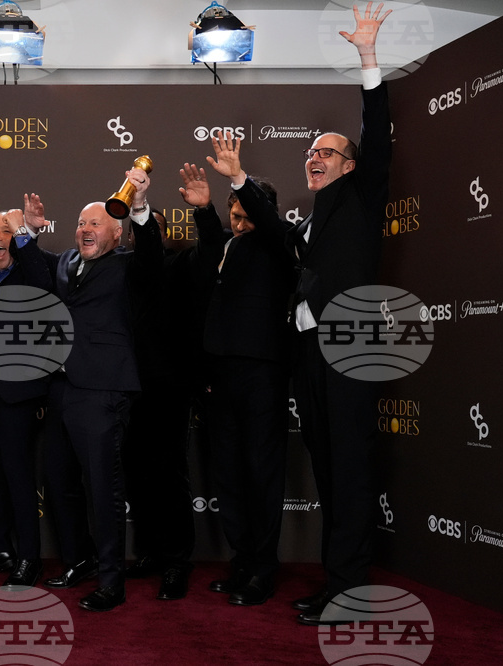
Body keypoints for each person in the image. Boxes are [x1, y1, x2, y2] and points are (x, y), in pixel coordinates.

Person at [225, 2, 393, 624]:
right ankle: (338, 584)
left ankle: (349, 592)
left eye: (326, 152)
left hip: (350, 349)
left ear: (349, 166)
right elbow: (272, 232)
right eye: (309, 154)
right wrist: (241, 179)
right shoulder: (313, 219)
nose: (314, 158)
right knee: (329, 472)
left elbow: (376, 136)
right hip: (314, 360)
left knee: (348, 473)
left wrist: (368, 59)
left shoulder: (362, 194)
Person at [16, 169, 163, 612]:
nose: (84, 229)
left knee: (103, 487)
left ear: (117, 232)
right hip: (60, 388)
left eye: (95, 223)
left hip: (103, 389)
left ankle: (111, 582)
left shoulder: (129, 265)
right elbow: (32, 273)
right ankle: (79, 560)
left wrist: (138, 204)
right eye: (81, 223)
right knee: (59, 481)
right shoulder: (62, 263)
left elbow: (152, 254)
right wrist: (28, 230)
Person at [179, 135, 295, 607]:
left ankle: (264, 570)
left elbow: (263, 221)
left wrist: (240, 180)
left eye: (246, 213)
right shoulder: (227, 245)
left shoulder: (276, 242)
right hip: (219, 377)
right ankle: (242, 560)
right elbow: (210, 247)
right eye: (234, 213)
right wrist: (206, 210)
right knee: (228, 472)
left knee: (260, 472)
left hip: (261, 374)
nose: (239, 220)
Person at [121, 207, 201, 601]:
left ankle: (176, 562)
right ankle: (150, 551)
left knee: (169, 474)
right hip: (128, 388)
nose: (138, 239)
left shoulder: (178, 265)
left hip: (168, 386)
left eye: (147, 232)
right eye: (133, 234)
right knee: (137, 473)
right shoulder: (120, 271)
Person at [0, 208, 52, 588]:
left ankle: (29, 558)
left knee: (20, 478)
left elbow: (44, 282)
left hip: (17, 392)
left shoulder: (28, 275)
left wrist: (25, 234)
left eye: (5, 231)